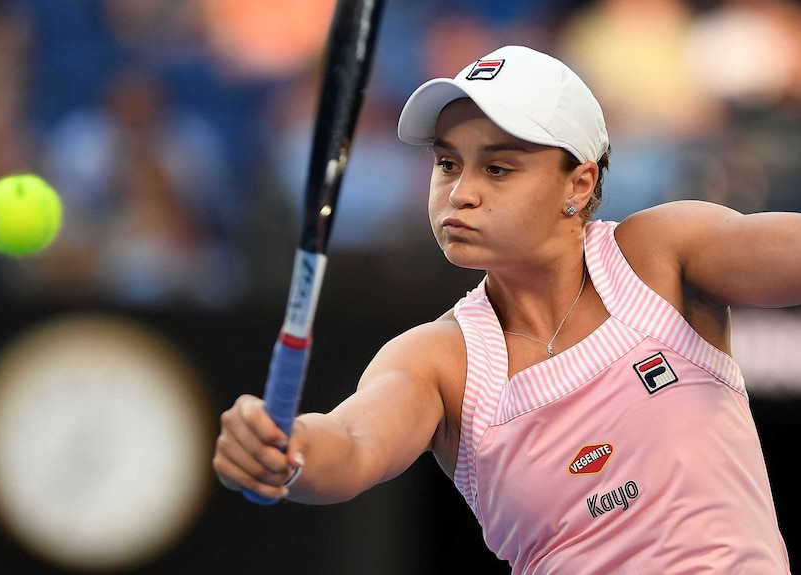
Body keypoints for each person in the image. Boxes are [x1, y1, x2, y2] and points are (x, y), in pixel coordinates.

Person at [213, 45, 792, 572]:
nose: (460, 192)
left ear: (579, 185)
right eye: (447, 163)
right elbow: (352, 443)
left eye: (497, 168)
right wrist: (287, 451)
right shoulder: (439, 361)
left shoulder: (662, 255)